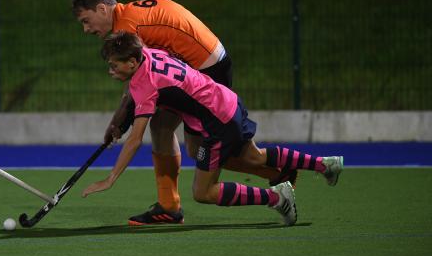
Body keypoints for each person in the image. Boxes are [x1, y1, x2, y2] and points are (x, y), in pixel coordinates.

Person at [71, 0, 296, 226]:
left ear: (103, 9)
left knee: (199, 150)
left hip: (207, 71)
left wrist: (120, 122)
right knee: (166, 130)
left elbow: (141, 81)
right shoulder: (129, 14)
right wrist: (120, 120)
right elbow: (144, 82)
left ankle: (276, 173)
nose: (85, 29)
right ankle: (169, 205)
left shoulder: (126, 27)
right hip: (205, 63)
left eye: (86, 20)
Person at [81, 31, 343, 226]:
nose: (110, 71)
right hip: (227, 101)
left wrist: (111, 178)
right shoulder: (149, 52)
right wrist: (120, 121)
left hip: (217, 122)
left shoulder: (144, 83)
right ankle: (325, 164)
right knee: (255, 157)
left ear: (132, 63)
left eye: (114, 65)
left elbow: (135, 139)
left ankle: (276, 198)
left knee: (203, 192)